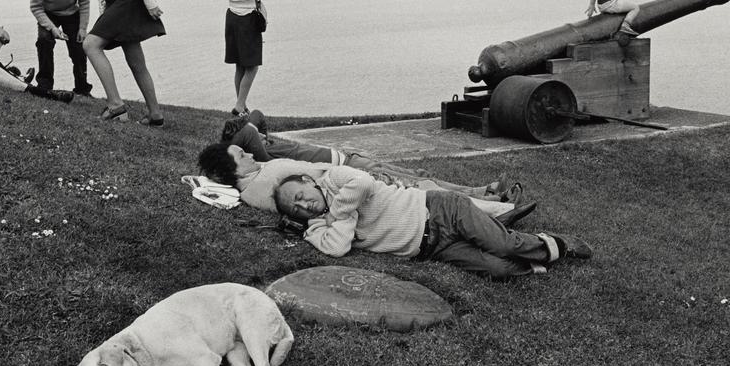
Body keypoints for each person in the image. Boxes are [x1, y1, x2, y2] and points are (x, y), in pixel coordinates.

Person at [274, 167, 592, 280]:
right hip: (433, 248)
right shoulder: (316, 228)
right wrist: (333, 218)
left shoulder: (334, 179)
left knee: (502, 244)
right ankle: (526, 253)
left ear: (306, 180)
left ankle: (557, 245)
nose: (303, 205)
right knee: (498, 270)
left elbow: (364, 183)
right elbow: (338, 248)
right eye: (296, 208)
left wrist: (339, 212)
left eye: (300, 194)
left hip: (439, 210)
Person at [197, 141, 532, 220]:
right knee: (423, 189)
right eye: (241, 156)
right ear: (230, 170)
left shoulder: (256, 179)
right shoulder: (264, 181)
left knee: (424, 184)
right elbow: (315, 186)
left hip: (350, 177)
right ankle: (494, 209)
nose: (250, 155)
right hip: (354, 184)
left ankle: (491, 201)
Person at [220, 111, 510, 200]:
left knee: (416, 177)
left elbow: (254, 117)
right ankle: (483, 201)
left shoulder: (262, 146)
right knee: (415, 186)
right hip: (350, 166)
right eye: (243, 147)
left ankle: (480, 191)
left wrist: (264, 132)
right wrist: (254, 135)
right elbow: (248, 125)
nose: (249, 147)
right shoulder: (263, 158)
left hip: (349, 157)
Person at [197, 0, 279, 116]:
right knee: (253, 65)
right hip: (249, 19)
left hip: (233, 18)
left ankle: (241, 106)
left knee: (240, 65)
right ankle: (240, 105)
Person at [29, 0, 93, 97]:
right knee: (44, 41)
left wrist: (82, 28)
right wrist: (52, 29)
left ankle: (82, 88)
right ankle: (44, 85)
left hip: (72, 14)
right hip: (49, 15)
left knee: (78, 49)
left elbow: (84, 1)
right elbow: (36, 7)